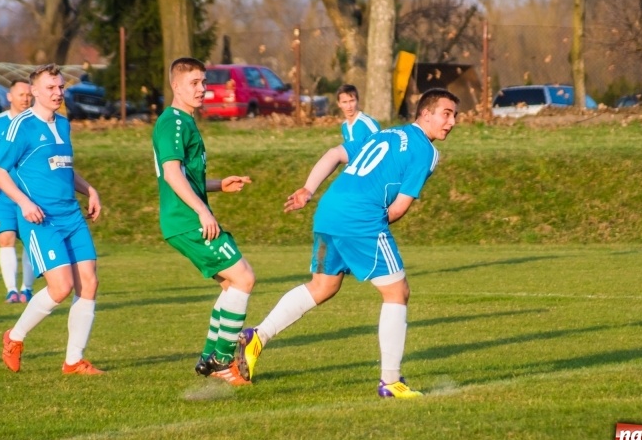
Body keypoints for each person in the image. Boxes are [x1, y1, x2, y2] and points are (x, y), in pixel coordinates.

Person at [237, 88, 459, 398]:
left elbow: (334, 154)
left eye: (454, 116)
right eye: (446, 114)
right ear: (425, 114)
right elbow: (398, 209)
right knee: (397, 291)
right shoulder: (426, 151)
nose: (451, 122)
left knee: (323, 286)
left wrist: (308, 189)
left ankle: (256, 337)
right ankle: (391, 382)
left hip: (329, 209)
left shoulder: (386, 134)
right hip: (360, 218)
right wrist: (369, 227)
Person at [0, 64, 104, 375]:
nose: (58, 92)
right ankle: (14, 337)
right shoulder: (21, 127)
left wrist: (89, 190)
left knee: (90, 284)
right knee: (61, 288)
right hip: (41, 218)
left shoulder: (64, 124)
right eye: (51, 88)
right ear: (35, 92)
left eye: (60, 87)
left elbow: (65, 169)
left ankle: (73, 361)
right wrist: (24, 203)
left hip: (71, 214)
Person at [152, 57, 256, 386]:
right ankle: (224, 361)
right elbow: (170, 174)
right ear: (176, 86)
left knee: (230, 285)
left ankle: (209, 356)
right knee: (244, 278)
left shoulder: (184, 122)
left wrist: (219, 184)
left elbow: (184, 175)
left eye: (203, 81)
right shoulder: (173, 123)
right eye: (194, 83)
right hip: (186, 219)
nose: (202, 88)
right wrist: (202, 211)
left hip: (184, 219)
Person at [0, 80, 36, 303]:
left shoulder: (35, 123)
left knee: (31, 241)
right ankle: (11, 290)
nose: (26, 98)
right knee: (6, 239)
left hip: (29, 194)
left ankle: (27, 289)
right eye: (21, 94)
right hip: (1, 195)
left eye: (29, 94)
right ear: (9, 96)